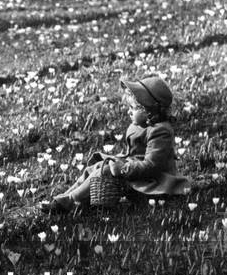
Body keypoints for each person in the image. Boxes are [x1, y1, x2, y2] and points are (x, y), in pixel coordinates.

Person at [41, 75, 189, 213]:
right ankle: (64, 198)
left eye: (134, 108)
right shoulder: (142, 125)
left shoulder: (160, 131)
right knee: (97, 166)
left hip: (155, 180)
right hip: (136, 168)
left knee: (105, 170)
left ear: (151, 111)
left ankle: (70, 202)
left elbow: (151, 166)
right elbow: (135, 154)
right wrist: (119, 161)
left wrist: (123, 168)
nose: (129, 112)